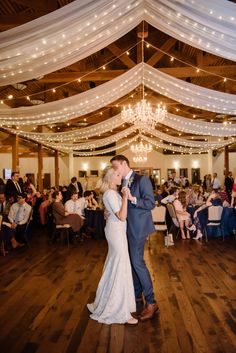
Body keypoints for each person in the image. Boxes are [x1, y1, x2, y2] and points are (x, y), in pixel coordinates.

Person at [110, 155, 159, 321]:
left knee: (138, 262)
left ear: (124, 163)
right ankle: (137, 296)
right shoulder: (122, 182)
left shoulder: (142, 179)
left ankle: (151, 302)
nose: (115, 171)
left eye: (116, 166)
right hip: (126, 228)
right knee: (132, 262)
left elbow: (151, 203)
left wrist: (133, 199)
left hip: (138, 228)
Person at [87, 166, 137, 325]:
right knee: (119, 266)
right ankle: (118, 310)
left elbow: (113, 213)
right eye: (117, 174)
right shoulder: (110, 193)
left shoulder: (111, 193)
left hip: (117, 231)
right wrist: (124, 197)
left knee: (115, 266)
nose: (120, 175)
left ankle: (109, 302)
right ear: (110, 178)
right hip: (116, 233)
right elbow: (122, 216)